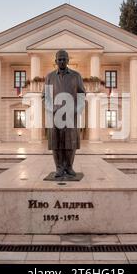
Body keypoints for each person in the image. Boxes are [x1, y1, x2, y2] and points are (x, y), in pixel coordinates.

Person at [43, 50, 86, 178]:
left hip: (71, 115)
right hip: (54, 116)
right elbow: (45, 96)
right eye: (59, 59)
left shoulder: (76, 76)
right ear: (55, 61)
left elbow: (81, 94)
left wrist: (77, 110)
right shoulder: (50, 77)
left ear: (68, 60)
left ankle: (69, 166)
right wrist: (51, 109)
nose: (62, 61)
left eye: (64, 59)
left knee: (70, 143)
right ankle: (59, 168)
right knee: (56, 143)